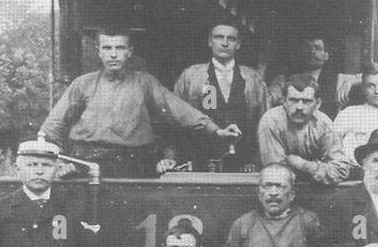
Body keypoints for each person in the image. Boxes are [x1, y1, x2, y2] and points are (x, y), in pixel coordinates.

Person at [40, 27, 240, 177]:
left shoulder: (145, 83)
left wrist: (215, 130)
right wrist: (57, 161)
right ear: (98, 51)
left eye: (119, 48)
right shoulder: (82, 84)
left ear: (129, 51)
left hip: (130, 165)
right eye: (107, 48)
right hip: (83, 164)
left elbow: (179, 111)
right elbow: (53, 126)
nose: (113, 54)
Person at [173, 22, 273, 169]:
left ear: (238, 44)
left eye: (231, 39)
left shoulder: (252, 79)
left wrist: (256, 162)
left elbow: (265, 123)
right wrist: (171, 158)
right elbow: (174, 119)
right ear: (209, 41)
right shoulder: (191, 76)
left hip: (244, 165)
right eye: (219, 37)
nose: (225, 43)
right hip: (199, 163)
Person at [256, 75, 352, 185]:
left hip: (316, 189)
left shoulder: (324, 124)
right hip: (279, 189)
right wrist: (321, 169)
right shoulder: (271, 122)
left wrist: (304, 165)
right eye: (294, 100)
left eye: (306, 101)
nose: (299, 107)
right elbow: (277, 173)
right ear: (283, 101)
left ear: (318, 104)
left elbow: (341, 170)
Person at [268, 37, 360, 119]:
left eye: (318, 48)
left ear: (326, 56)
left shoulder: (338, 80)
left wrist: (351, 82)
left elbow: (370, 77)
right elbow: (268, 98)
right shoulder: (284, 79)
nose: (312, 52)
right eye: (307, 48)